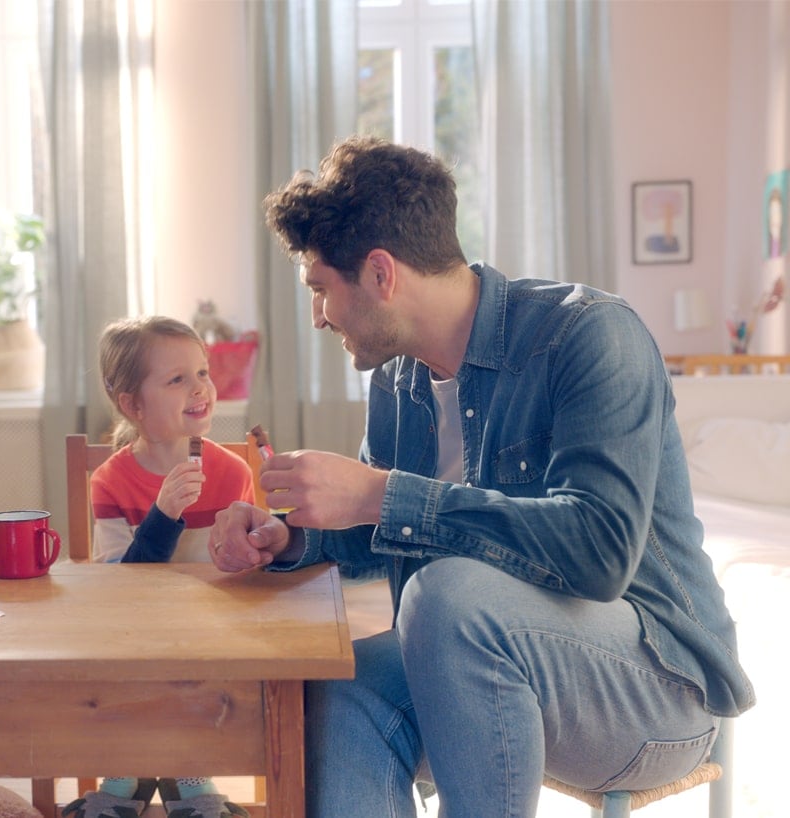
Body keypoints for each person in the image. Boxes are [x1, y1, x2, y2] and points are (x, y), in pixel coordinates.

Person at [208, 135, 754, 818]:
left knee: (447, 596)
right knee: (339, 684)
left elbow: (600, 554)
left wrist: (380, 494)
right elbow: (380, 526)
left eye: (321, 290)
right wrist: (284, 537)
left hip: (658, 685)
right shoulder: (399, 378)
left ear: (381, 274)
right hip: (479, 658)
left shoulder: (589, 336)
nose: (317, 315)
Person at [62, 315, 252, 818]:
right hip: (136, 634)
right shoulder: (110, 481)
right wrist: (163, 515)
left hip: (211, 633)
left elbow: (246, 575)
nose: (200, 388)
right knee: (123, 656)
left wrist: (264, 538)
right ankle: (134, 768)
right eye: (177, 379)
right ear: (132, 405)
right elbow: (121, 588)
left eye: (203, 372)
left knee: (200, 655)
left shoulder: (231, 472)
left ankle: (180, 772)